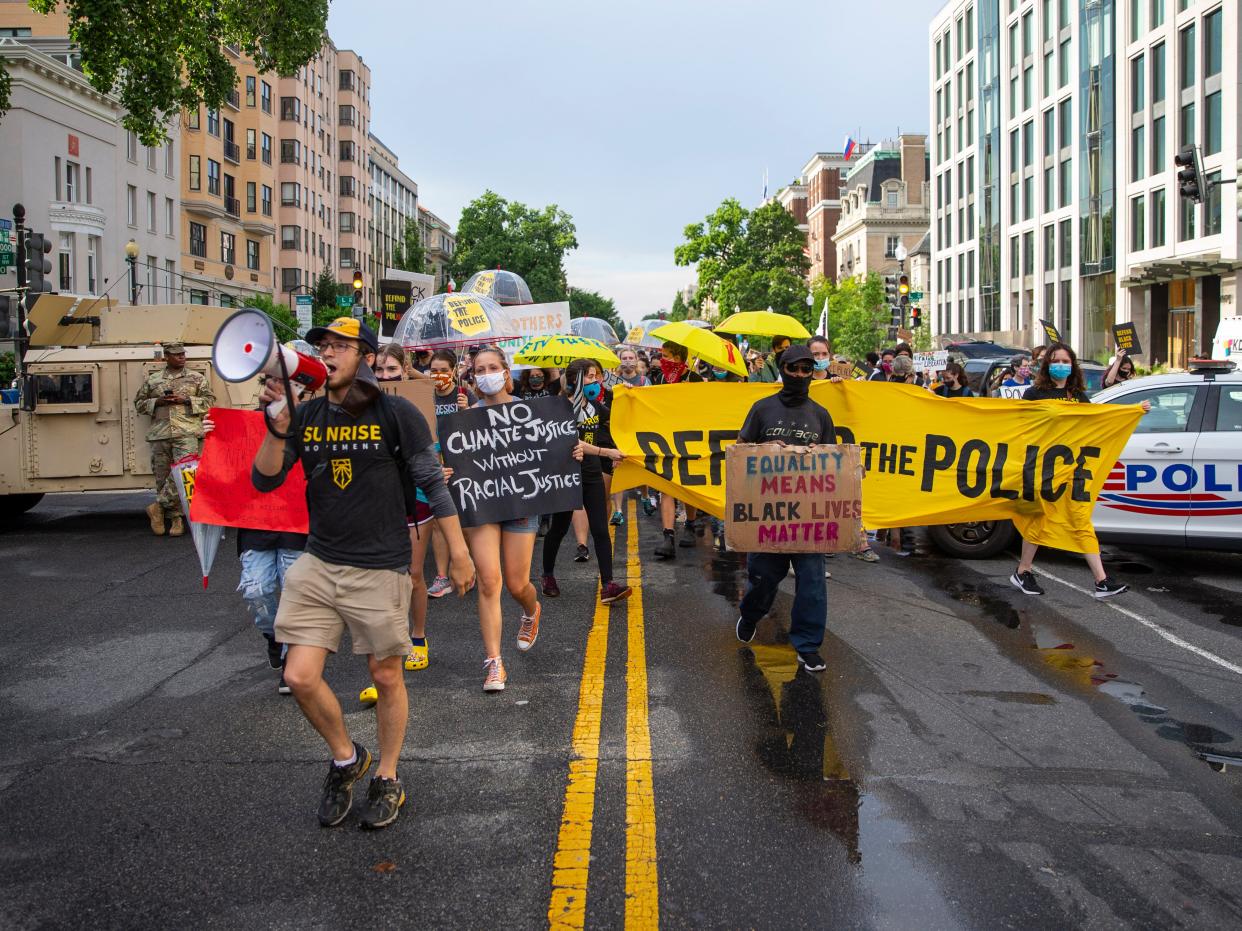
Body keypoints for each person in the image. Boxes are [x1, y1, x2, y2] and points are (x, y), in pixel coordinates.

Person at [252, 317, 475, 830]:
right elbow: (265, 480)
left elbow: (430, 482)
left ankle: (389, 775)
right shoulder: (305, 414)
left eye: (339, 346)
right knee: (299, 676)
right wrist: (277, 427)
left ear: (366, 356)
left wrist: (458, 551)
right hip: (319, 560)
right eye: (321, 346)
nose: (327, 353)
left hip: (380, 563)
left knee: (385, 674)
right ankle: (348, 759)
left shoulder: (396, 413)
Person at [1010, 342, 1148, 600]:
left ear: (1072, 365)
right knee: (1040, 519)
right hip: (1043, 468)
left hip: (1072, 468)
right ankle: (1023, 571)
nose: (1061, 365)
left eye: (1065, 361)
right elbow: (1018, 428)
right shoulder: (1034, 394)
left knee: (1080, 518)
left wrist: (1133, 411)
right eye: (1056, 361)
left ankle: (1101, 580)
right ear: (1046, 364)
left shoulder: (1077, 395)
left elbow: (1095, 420)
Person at [733, 346, 835, 671]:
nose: (801, 375)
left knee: (813, 583)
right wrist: (765, 450)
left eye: (807, 369)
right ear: (783, 369)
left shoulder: (821, 415)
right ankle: (751, 614)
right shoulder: (762, 409)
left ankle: (807, 644)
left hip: (808, 517)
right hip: (768, 515)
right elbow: (740, 452)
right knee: (763, 578)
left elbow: (834, 464)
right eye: (794, 369)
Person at [464, 347, 544, 692]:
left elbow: (550, 449)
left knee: (516, 584)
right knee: (488, 582)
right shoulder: (466, 418)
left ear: (505, 371)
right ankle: (494, 662)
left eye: (492, 367)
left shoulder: (530, 412)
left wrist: (569, 452)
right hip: (483, 506)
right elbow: (454, 460)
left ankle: (531, 609)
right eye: (480, 369)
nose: (486, 373)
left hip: (521, 504)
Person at [542, 359, 632, 605]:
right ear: (575, 380)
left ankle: (608, 585)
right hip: (565, 475)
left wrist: (630, 395)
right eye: (590, 377)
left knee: (601, 530)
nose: (595, 381)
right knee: (559, 528)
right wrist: (607, 453)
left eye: (596, 376)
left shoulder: (595, 406)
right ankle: (548, 575)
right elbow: (573, 443)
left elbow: (617, 424)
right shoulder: (560, 408)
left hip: (591, 474)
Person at [133, 341, 215, 537]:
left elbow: (209, 401)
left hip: (187, 433)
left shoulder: (196, 378)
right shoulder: (154, 381)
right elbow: (138, 404)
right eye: (176, 354)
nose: (181, 357)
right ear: (166, 357)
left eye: (183, 354)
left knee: (184, 473)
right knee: (162, 477)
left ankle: (158, 506)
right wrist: (158, 402)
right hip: (160, 434)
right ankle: (174, 518)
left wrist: (185, 400)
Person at [426, 350, 471, 599]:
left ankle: (464, 567)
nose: (438, 375)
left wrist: (468, 409)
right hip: (435, 464)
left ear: (454, 370)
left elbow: (479, 429)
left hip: (462, 463)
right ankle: (441, 576)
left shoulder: (464, 394)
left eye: (443, 370)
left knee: (461, 519)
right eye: (434, 370)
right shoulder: (426, 394)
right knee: (437, 522)